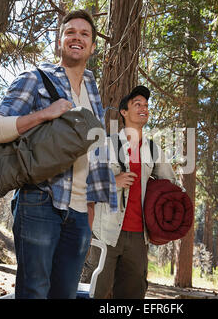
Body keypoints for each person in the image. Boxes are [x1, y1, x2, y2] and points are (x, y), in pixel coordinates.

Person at [0, 10, 117, 299]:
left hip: (80, 215)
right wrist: (45, 114)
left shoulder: (93, 91)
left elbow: (94, 155)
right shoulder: (35, 78)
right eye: (70, 32)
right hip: (40, 201)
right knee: (34, 292)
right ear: (59, 42)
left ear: (93, 46)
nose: (77, 38)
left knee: (65, 295)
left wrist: (89, 212)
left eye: (85, 34)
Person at [82, 85, 179, 299]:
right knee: (94, 292)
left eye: (146, 105)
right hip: (105, 233)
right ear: (124, 112)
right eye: (137, 104)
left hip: (138, 238)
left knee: (132, 297)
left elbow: (171, 188)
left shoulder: (153, 150)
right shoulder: (105, 145)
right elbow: (82, 187)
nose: (144, 108)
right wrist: (112, 181)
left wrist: (161, 216)